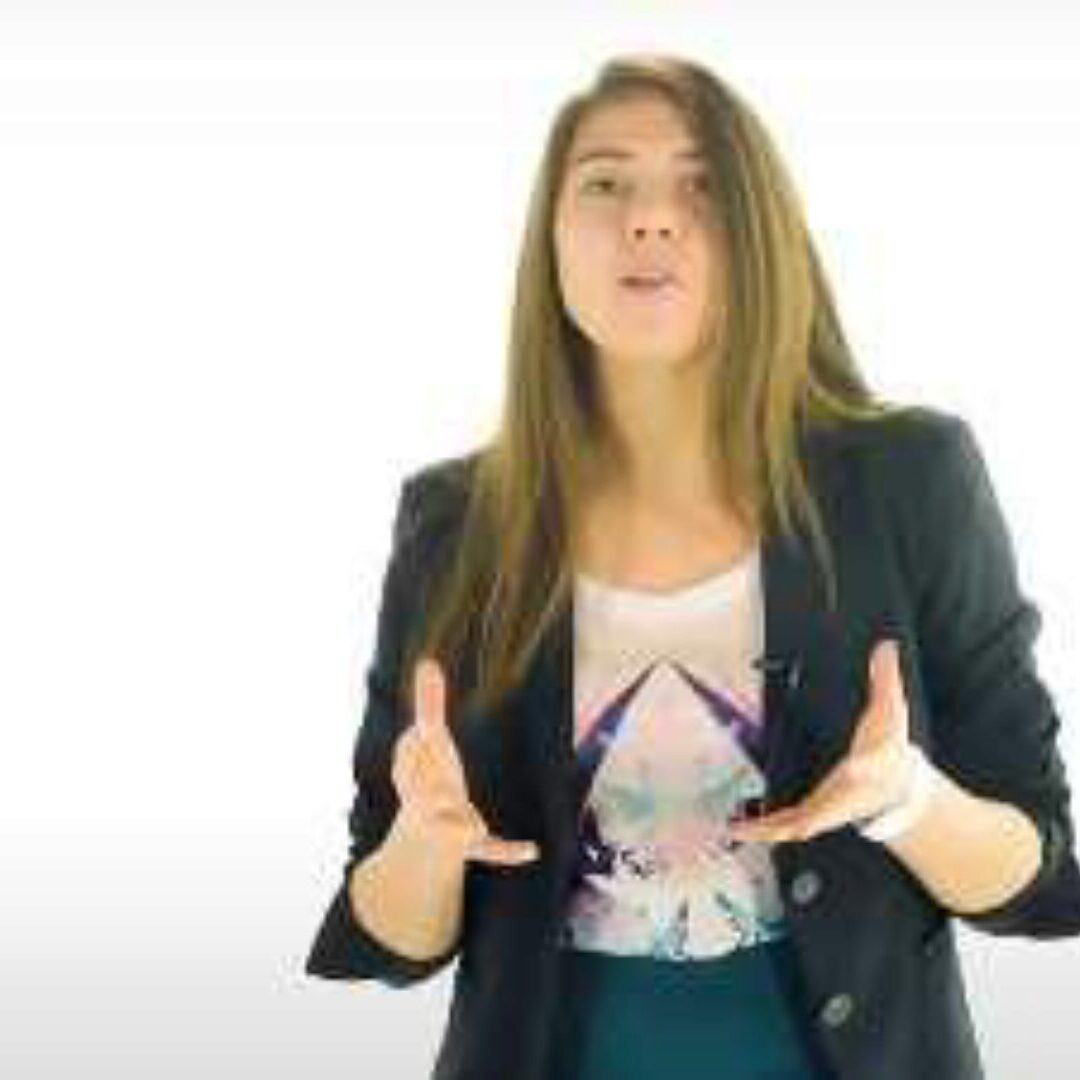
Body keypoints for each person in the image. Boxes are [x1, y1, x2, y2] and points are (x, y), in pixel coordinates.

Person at [305, 53, 1080, 1080]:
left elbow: (1039, 877)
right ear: (549, 238)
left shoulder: (909, 479)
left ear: (760, 233)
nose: (650, 220)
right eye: (606, 182)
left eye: (700, 185)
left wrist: (909, 801)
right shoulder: (455, 524)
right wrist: (425, 839)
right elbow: (392, 936)